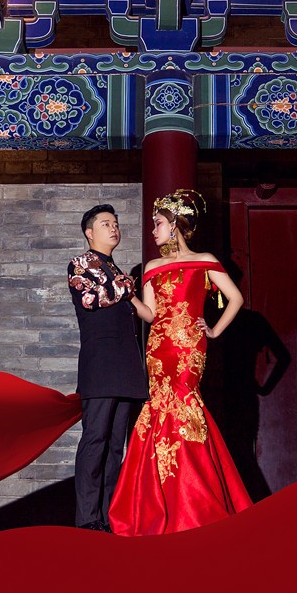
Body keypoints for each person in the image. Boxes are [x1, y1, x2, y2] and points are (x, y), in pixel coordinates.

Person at [109, 190, 253, 536]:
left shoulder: (204, 260)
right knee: (158, 408)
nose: (153, 231)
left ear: (174, 225)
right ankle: (161, 501)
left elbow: (235, 298)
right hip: (158, 348)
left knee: (185, 405)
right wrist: (128, 294)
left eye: (158, 223)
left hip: (188, 346)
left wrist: (214, 330)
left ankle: (196, 498)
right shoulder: (152, 267)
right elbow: (150, 314)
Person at [67, 204, 150, 532]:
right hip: (100, 368)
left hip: (126, 368)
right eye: (105, 224)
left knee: (116, 446)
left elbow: (147, 313)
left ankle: (108, 518)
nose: (114, 228)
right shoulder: (80, 263)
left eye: (115, 223)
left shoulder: (117, 271)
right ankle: (87, 520)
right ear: (90, 232)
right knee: (96, 440)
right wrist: (126, 286)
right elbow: (90, 300)